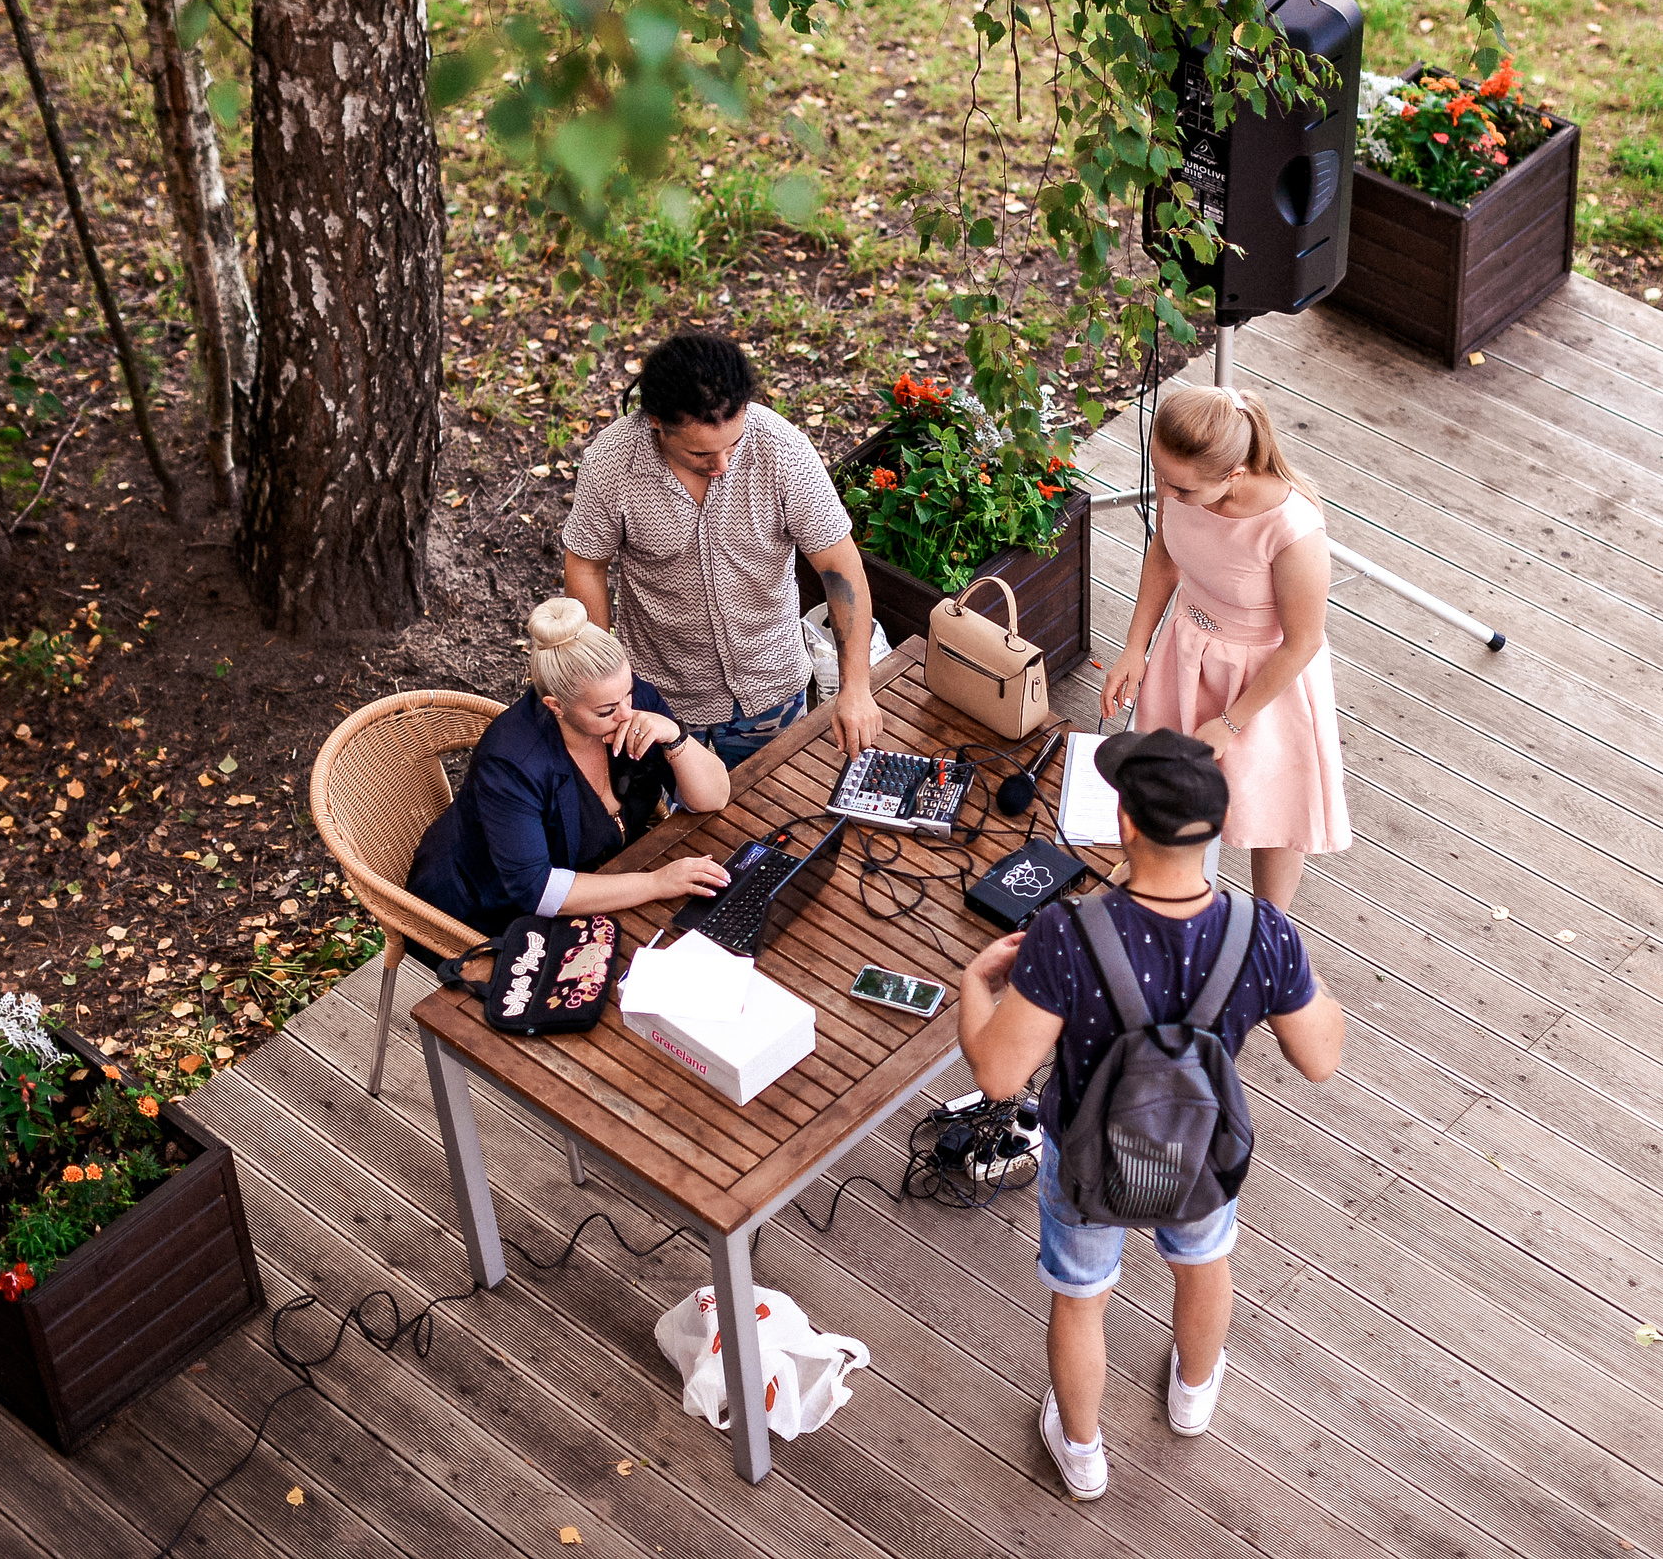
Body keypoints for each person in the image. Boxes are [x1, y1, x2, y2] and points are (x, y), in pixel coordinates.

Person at [956, 730, 1344, 1500]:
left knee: (1081, 1298)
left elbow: (997, 1074)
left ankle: (1082, 1451)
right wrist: (1294, 963)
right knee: (1204, 1263)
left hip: (1086, 1159)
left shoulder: (1067, 935)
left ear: (1126, 821)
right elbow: (1321, 1055)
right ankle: (1193, 1394)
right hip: (1201, 1152)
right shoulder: (1262, 932)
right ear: (1217, 827)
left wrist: (976, 982)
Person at [561, 331, 882, 768]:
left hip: (772, 684)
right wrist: (604, 682)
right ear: (656, 422)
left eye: (733, 443)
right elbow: (587, 566)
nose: (722, 465)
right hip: (658, 695)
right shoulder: (611, 462)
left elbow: (840, 567)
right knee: (669, 809)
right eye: (700, 453)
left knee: (771, 799)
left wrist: (856, 688)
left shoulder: (783, 449)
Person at [1098, 384, 1350, 911]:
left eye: (1180, 488)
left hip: (1265, 678)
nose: (1165, 493)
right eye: (1160, 475)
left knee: (1273, 807)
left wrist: (1232, 723)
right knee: (1170, 788)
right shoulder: (1182, 487)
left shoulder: (1293, 530)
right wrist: (1134, 647)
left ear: (1233, 475)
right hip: (1186, 654)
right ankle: (1167, 887)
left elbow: (1303, 642)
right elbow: (1164, 557)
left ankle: (1269, 923)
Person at [406, 599, 733, 938]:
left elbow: (713, 797)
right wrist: (657, 883)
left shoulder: (626, 701)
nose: (626, 713)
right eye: (606, 711)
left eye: (629, 693)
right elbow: (539, 891)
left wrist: (674, 736)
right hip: (487, 915)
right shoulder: (510, 764)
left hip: (608, 878)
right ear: (556, 706)